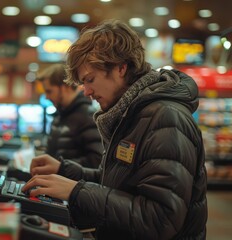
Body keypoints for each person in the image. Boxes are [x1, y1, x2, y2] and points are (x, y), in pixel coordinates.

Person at [22, 19, 207, 239]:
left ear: (121, 67)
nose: (87, 91)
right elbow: (120, 183)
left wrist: (76, 192)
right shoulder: (132, 113)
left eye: (90, 80)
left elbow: (160, 219)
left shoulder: (165, 117)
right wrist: (65, 171)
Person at [37, 63, 102, 168]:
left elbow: (96, 161)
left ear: (64, 87)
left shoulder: (88, 116)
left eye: (49, 91)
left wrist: (60, 167)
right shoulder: (59, 116)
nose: (46, 97)